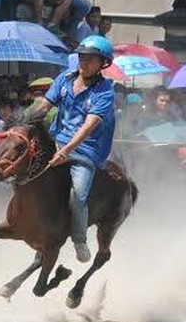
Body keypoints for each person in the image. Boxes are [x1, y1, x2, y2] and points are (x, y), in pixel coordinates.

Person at [23, 35, 117, 264]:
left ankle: (79, 239)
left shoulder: (105, 92)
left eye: (90, 59)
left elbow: (87, 128)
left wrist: (65, 152)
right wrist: (24, 123)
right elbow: (45, 106)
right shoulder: (64, 79)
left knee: (78, 196)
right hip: (58, 140)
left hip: (87, 151)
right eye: (81, 57)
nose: (83, 62)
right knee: (23, 171)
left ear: (103, 63)